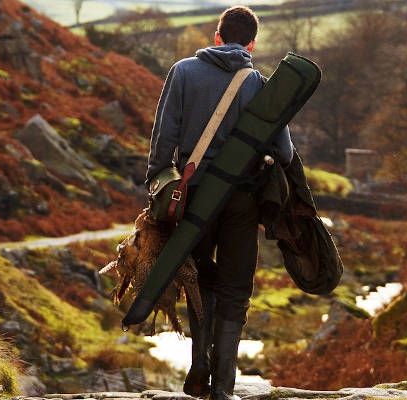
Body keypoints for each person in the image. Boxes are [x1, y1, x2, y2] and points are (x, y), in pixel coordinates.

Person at [145, 6, 293, 400]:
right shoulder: (259, 84)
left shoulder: (182, 72)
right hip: (241, 200)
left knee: (197, 280)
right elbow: (286, 152)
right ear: (251, 44)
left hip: (193, 198)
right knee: (234, 288)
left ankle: (199, 366)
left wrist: (160, 188)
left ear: (216, 36)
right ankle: (224, 387)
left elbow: (163, 139)